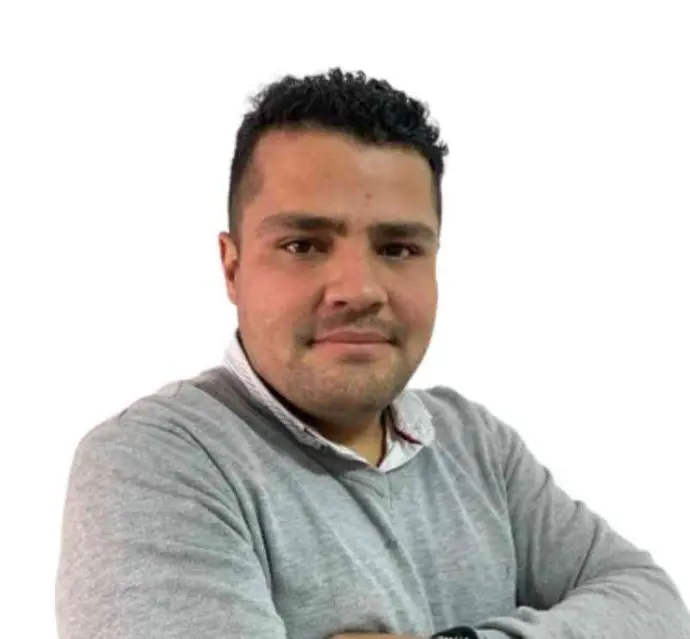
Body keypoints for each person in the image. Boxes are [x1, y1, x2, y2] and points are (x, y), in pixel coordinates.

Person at [55, 68, 690, 639]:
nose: (358, 290)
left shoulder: (475, 445)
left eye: (397, 248)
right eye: (303, 244)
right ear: (232, 267)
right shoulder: (154, 461)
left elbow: (655, 607)